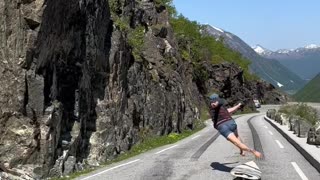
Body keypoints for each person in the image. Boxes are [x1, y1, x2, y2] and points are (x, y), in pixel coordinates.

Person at [209, 93, 262, 158]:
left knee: (237, 143)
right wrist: (238, 106)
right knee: (237, 136)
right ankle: (242, 150)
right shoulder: (222, 106)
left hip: (222, 127)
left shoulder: (212, 107)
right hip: (231, 123)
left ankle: (252, 151)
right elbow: (229, 110)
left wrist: (214, 104)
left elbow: (215, 104)